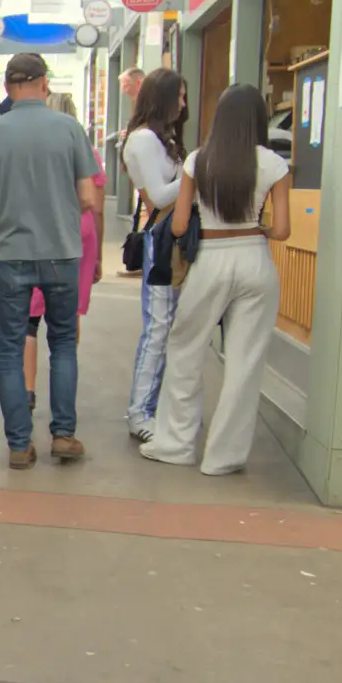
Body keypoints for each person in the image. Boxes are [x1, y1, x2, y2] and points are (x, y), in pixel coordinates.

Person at [141, 85, 290, 475]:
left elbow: (177, 225)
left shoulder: (198, 161)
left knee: (186, 347)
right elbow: (283, 230)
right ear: (258, 119)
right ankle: (224, 457)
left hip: (211, 260)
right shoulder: (274, 164)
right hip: (255, 260)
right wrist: (258, 226)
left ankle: (176, 444)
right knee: (245, 359)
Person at [0, 53, 99, 469]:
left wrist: (4, 223)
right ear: (44, 84)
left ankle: (19, 445)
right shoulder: (70, 129)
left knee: (9, 349)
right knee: (62, 343)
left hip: (12, 255)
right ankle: (63, 434)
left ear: (7, 88)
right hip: (62, 252)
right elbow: (88, 197)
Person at [22, 92, 105, 411]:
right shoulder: (88, 153)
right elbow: (96, 208)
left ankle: (28, 390)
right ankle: (63, 390)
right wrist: (97, 257)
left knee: (31, 316)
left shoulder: (32, 150)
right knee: (68, 317)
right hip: (78, 233)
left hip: (39, 232)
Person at [121, 69, 190, 441]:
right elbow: (158, 197)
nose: (182, 105)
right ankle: (140, 413)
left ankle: (149, 409)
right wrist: (195, 173)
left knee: (165, 327)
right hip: (160, 243)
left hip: (170, 241)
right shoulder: (144, 140)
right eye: (178, 97)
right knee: (159, 327)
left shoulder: (159, 139)